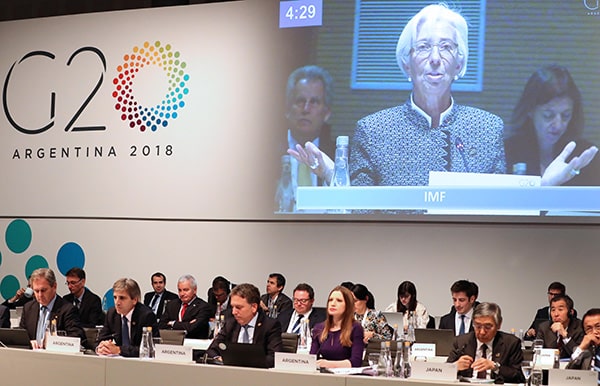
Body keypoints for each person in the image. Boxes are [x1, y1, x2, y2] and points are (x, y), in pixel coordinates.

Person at [290, 4, 593, 192]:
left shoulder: (488, 128)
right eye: (423, 48)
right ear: (406, 64)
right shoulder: (372, 129)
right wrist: (332, 174)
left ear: (459, 65)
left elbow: (502, 209)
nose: (435, 58)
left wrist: (543, 188)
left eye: (446, 47)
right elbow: (359, 210)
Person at [505, 64, 599, 185]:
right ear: (530, 110)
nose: (558, 125)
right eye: (548, 116)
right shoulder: (508, 152)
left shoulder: (584, 156)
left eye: (565, 115)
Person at [206, 283, 282, 368]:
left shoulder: (270, 326)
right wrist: (219, 358)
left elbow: (274, 358)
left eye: (238, 307)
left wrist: (244, 363)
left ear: (254, 307)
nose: (233, 312)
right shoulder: (231, 324)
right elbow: (212, 349)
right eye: (232, 307)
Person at [447, 302, 524, 383]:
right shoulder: (461, 342)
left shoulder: (511, 343)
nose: (482, 332)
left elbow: (519, 376)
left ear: (499, 324)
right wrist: (454, 367)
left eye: (488, 327)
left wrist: (495, 367)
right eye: (478, 326)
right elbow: (442, 373)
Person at [284, 65, 335, 188]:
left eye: (314, 102)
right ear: (287, 109)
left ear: (327, 113)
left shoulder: (338, 159)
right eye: (300, 101)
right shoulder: (264, 154)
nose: (306, 109)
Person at [19, 268, 84, 348]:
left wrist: (53, 343)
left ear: (54, 287)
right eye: (36, 291)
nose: (40, 295)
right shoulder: (28, 308)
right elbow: (21, 337)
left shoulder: (67, 310)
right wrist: (29, 343)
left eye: (43, 290)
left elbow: (76, 338)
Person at [96, 278, 158, 357]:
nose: (117, 302)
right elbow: (100, 340)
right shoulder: (112, 314)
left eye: (122, 298)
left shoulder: (146, 316)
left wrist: (119, 349)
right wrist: (101, 348)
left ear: (134, 300)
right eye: (115, 297)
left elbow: (150, 349)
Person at [310, 285, 364, 368]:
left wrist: (328, 364)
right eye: (330, 300)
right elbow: (311, 359)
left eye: (339, 300)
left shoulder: (355, 328)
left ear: (348, 305)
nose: (333, 304)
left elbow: (356, 362)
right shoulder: (319, 328)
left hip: (346, 377)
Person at [159, 274, 213, 339]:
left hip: (194, 344)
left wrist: (172, 323)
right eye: (180, 290)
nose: (182, 294)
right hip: (173, 343)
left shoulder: (203, 307)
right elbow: (161, 325)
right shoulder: (172, 304)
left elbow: (192, 328)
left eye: (186, 290)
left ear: (195, 290)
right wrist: (187, 324)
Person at [569, 308, 600, 381]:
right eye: (589, 329)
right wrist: (581, 348)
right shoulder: (583, 351)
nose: (594, 332)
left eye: (598, 327)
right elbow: (568, 375)